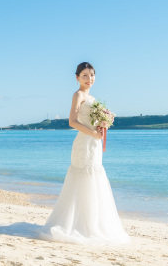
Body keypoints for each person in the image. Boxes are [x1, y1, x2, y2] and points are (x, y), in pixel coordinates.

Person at [39, 62, 130, 245]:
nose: (89, 79)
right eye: (85, 75)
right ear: (77, 78)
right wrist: (93, 133)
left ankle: (92, 224)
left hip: (94, 145)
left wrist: (102, 125)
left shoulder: (93, 98)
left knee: (94, 179)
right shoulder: (78, 95)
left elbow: (91, 121)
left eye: (92, 75)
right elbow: (72, 122)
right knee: (82, 179)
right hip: (83, 143)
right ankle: (77, 225)